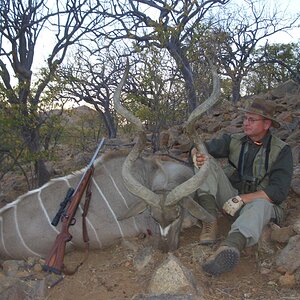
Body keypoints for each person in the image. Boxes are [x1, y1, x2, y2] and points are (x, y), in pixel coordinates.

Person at [190, 98, 293, 276]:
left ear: (267, 124)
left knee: (260, 205)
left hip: (261, 205)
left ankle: (230, 247)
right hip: (232, 200)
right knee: (205, 161)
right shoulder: (234, 140)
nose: (246, 123)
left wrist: (243, 199)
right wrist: (195, 153)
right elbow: (202, 146)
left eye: (252, 120)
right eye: (245, 118)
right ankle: (209, 220)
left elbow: (278, 192)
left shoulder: (282, 150)